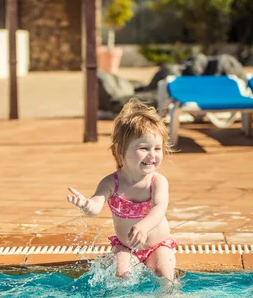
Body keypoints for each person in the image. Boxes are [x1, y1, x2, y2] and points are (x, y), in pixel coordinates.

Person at [67, 98, 177, 281]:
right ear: (120, 151)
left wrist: (143, 227)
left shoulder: (157, 182)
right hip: (126, 246)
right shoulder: (111, 183)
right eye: (143, 148)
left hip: (158, 245)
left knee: (163, 273)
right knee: (120, 275)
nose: (152, 155)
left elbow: (159, 208)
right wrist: (87, 206)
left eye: (157, 148)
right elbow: (96, 204)